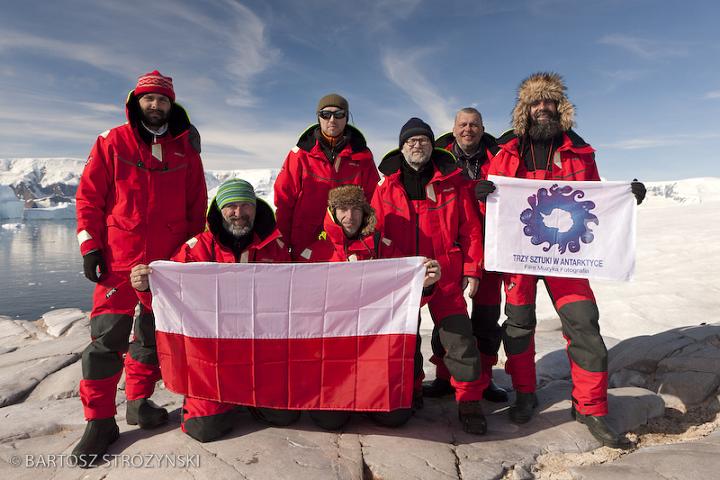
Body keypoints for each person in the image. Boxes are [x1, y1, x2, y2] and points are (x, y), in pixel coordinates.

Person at [483, 72, 646, 448]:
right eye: (536, 102)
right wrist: (484, 192)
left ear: (560, 108)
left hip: (568, 257)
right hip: (522, 257)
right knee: (520, 325)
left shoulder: (580, 150)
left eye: (549, 102)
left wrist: (626, 195)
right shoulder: (508, 151)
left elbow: (598, 201)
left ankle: (590, 406)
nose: (543, 108)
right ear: (526, 109)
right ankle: (525, 394)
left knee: (584, 323)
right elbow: (499, 204)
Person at [73, 70, 207, 463]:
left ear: (171, 104)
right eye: (148, 99)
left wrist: (188, 258)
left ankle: (138, 402)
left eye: (162, 100)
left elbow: (196, 209)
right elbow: (89, 199)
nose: (155, 105)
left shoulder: (186, 150)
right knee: (106, 340)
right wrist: (90, 247)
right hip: (117, 260)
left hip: (167, 265)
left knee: (149, 336)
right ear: (136, 102)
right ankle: (99, 421)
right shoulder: (112, 142)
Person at [130, 179, 300, 442]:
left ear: (256, 208)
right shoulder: (196, 248)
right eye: (231, 206)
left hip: (260, 355)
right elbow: (165, 302)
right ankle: (216, 400)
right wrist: (145, 287)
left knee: (285, 416)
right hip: (213, 359)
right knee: (204, 429)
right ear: (219, 210)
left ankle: (247, 397)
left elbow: (291, 297)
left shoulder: (274, 247)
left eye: (246, 206)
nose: (239, 213)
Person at [371, 118, 489, 434]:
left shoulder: (453, 182)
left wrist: (471, 269)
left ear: (432, 145)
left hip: (445, 274)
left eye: (423, 139)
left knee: (459, 339)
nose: (418, 145)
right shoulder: (386, 189)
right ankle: (413, 390)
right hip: (401, 279)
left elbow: (471, 230)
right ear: (402, 147)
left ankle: (469, 402)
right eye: (411, 141)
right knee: (405, 340)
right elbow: (373, 232)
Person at [298, 184, 442, 430]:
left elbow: (405, 303)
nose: (349, 216)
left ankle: (384, 393)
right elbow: (297, 304)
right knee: (328, 420)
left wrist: (425, 286)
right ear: (332, 212)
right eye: (343, 209)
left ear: (365, 212)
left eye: (356, 209)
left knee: (395, 418)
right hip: (334, 355)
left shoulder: (384, 249)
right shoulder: (315, 252)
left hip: (374, 353)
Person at [427, 108, 508, 404]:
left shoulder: (500, 157)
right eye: (463, 124)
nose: (468, 129)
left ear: (483, 127)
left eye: (474, 124)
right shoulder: (439, 158)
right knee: (448, 320)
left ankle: (484, 379)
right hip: (454, 251)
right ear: (454, 127)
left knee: (486, 317)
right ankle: (444, 377)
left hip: (493, 248)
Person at [274, 93, 380, 258]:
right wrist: (282, 243)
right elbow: (284, 202)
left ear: (346, 118)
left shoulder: (362, 156)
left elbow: (373, 203)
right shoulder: (300, 155)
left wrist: (369, 240)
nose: (332, 120)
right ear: (318, 118)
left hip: (348, 245)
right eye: (326, 114)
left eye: (339, 114)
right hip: (305, 244)